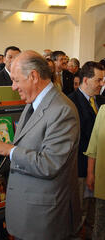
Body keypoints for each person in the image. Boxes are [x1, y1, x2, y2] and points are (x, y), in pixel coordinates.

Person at [0, 50, 81, 239]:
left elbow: (49, 164)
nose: (13, 87)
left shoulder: (63, 110)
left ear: (33, 76)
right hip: (27, 214)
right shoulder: (31, 104)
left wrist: (10, 149)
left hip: (45, 220)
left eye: (16, 80)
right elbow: (23, 151)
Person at [68, 61, 104, 239]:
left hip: (100, 168)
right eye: (99, 80)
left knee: (94, 214)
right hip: (80, 168)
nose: (102, 83)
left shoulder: (102, 101)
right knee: (79, 213)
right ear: (86, 80)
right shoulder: (70, 102)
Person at [85, 105, 105, 240]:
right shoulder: (103, 110)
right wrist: (90, 172)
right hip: (103, 181)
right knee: (100, 224)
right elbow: (93, 145)